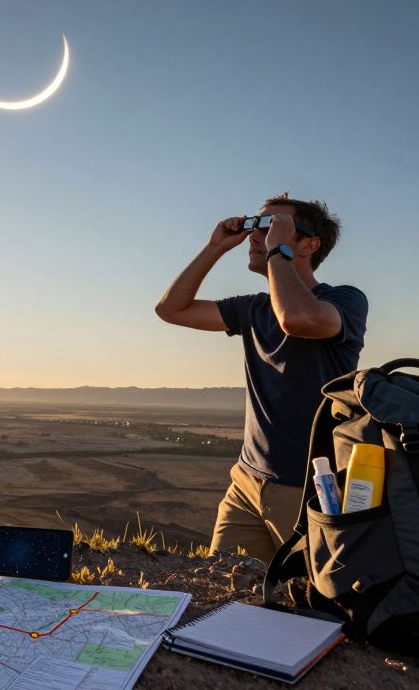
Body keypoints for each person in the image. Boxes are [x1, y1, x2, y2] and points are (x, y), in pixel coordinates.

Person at [155, 193, 368, 562]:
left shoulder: (344, 300)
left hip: (308, 489)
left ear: (309, 244)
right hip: (247, 483)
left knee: (311, 604)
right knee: (226, 591)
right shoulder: (253, 309)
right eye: (255, 227)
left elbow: (299, 319)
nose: (257, 237)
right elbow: (171, 309)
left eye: (271, 227)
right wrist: (214, 248)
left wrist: (276, 255)